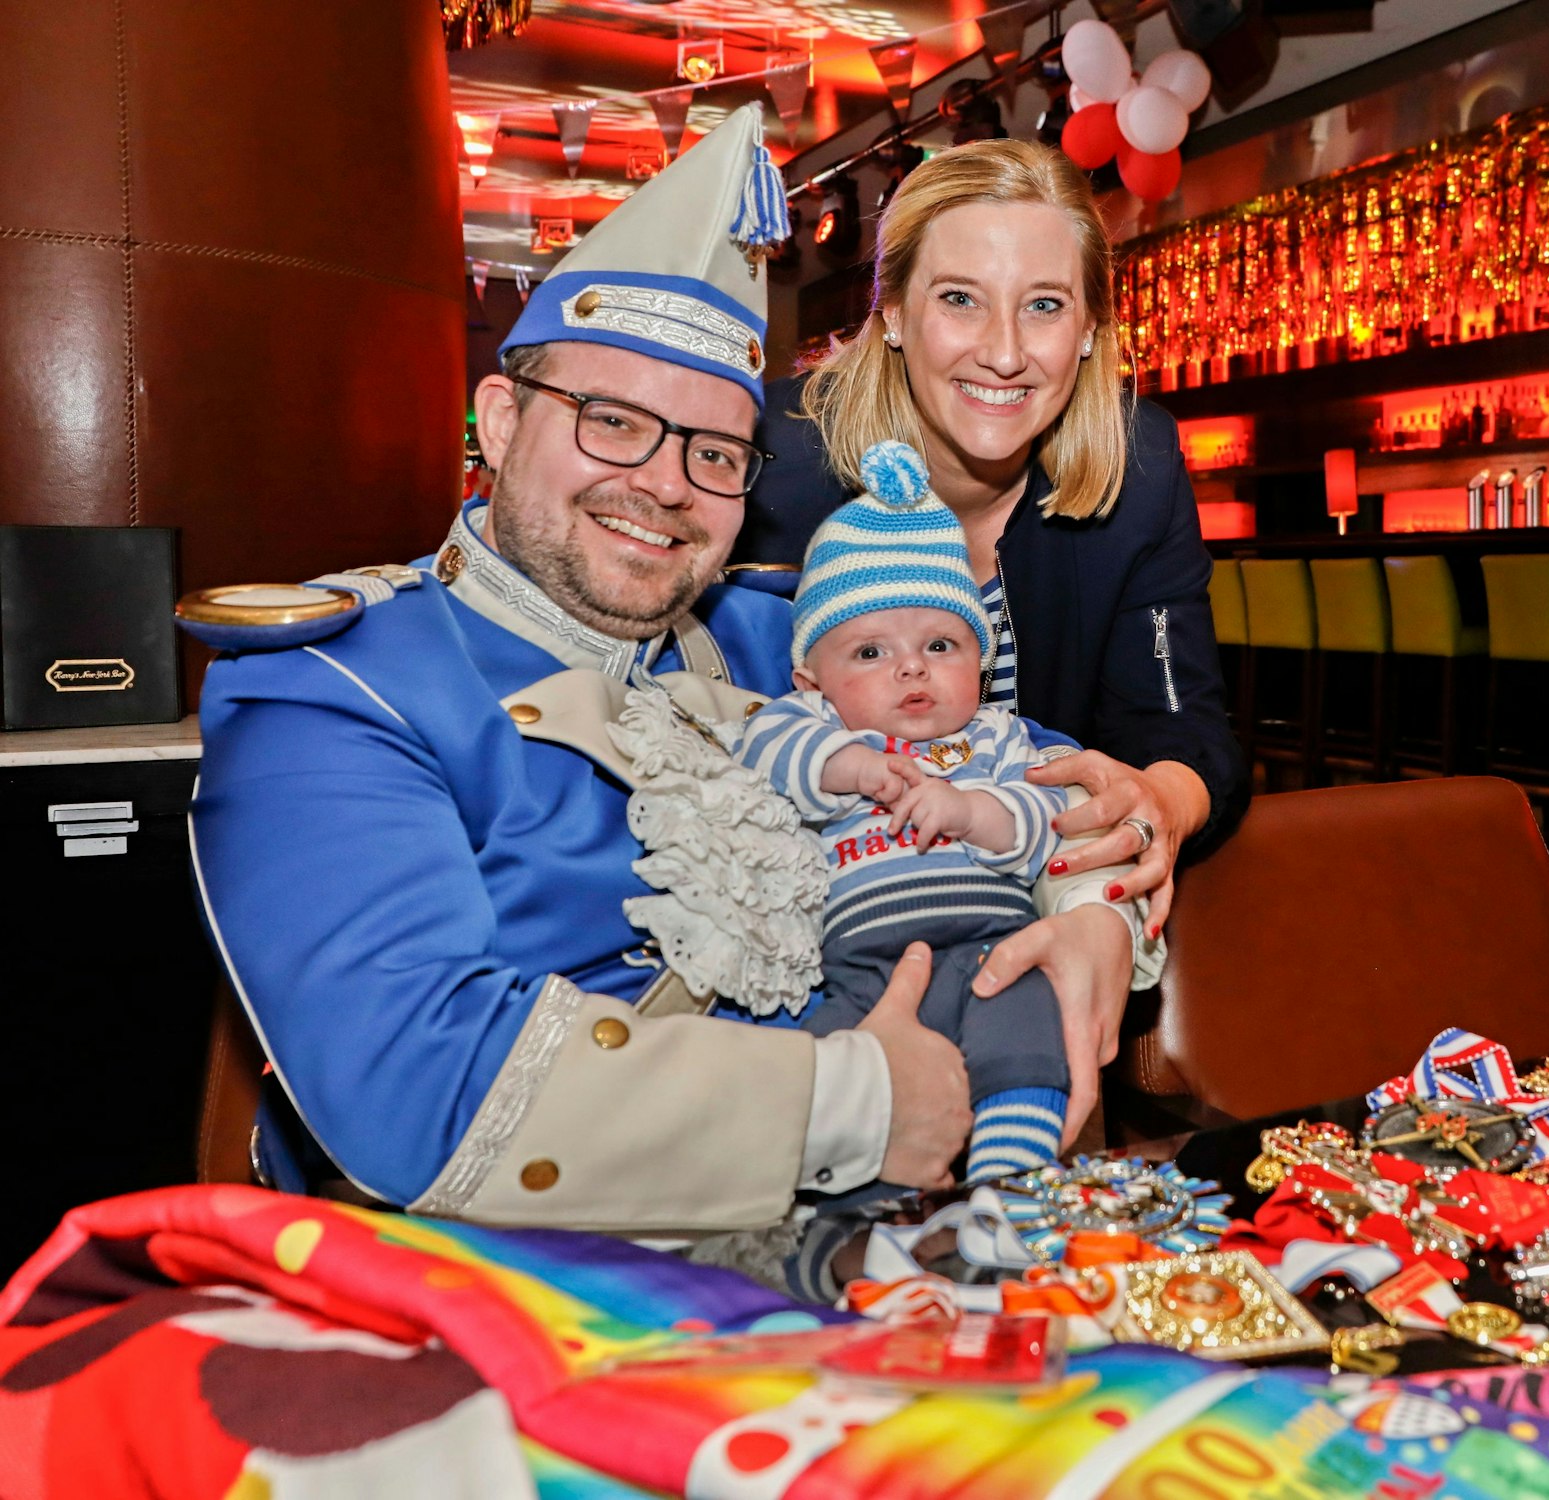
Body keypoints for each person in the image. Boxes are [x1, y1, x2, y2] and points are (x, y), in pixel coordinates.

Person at [180, 107, 1141, 1236]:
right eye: (611, 420)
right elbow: (422, 1088)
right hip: (534, 1288)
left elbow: (1026, 779)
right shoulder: (335, 687)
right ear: (497, 419)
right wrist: (860, 1102)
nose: (664, 484)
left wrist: (1090, 919)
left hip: (881, 1239)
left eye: (713, 451)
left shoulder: (777, 639)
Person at [737, 140, 1248, 1107]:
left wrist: (1144, 820)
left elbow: (1183, 734)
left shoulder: (1137, 469)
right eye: (960, 298)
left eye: (1045, 305)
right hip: (807, 935)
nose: (1006, 351)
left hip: (1028, 898)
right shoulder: (770, 464)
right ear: (890, 316)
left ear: (1091, 326)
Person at [739, 440, 1082, 1184]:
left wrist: (970, 811)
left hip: (993, 947)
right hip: (856, 962)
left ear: (980, 663)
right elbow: (762, 754)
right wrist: (852, 766)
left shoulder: (996, 736)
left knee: (1028, 1033)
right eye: (869, 653)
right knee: (815, 1063)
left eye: (940, 643)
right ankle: (843, 1207)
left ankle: (1010, 1187)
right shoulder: (812, 725)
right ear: (812, 678)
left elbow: (1047, 814)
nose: (912, 667)